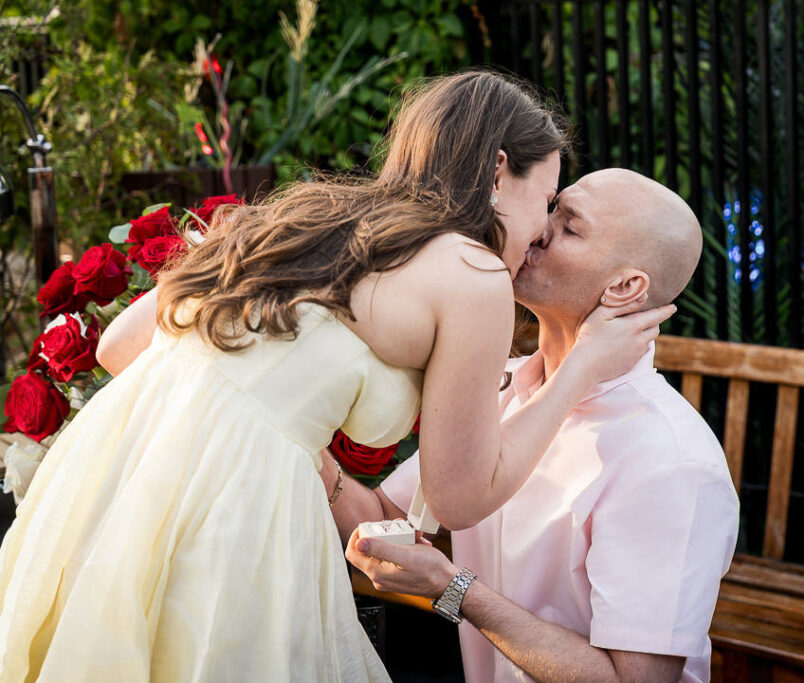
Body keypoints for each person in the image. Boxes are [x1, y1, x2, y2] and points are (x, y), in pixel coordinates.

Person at [0, 74, 673, 682]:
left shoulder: (309, 214)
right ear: (499, 170)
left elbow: (120, 346)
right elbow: (460, 497)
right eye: (546, 198)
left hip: (124, 484)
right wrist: (583, 362)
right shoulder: (473, 273)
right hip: (234, 516)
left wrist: (266, 417)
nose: (541, 228)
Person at [337, 169, 740, 683]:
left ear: (625, 287)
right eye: (552, 209)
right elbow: (381, 516)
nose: (538, 229)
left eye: (569, 227)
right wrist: (289, 433)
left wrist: (454, 588)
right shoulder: (497, 384)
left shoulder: (668, 461)